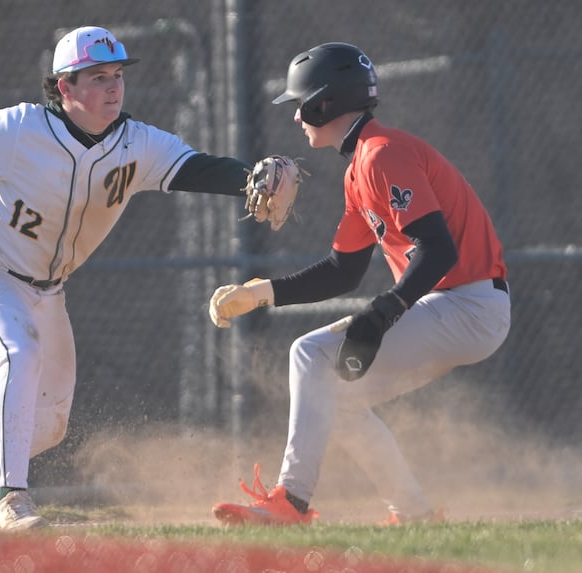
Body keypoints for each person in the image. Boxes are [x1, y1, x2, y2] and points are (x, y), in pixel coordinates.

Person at [0, 25, 257, 531]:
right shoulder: (22, 130)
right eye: (98, 77)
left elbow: (197, 167)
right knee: (19, 352)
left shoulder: (136, 144)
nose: (113, 87)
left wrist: (254, 179)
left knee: (51, 422)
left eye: (118, 75)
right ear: (65, 88)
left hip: (47, 291)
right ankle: (11, 501)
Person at [208, 42, 511, 526]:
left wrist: (382, 312)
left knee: (309, 354)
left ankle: (292, 500)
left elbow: (439, 248)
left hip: (467, 305)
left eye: (300, 105)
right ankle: (414, 513)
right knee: (338, 399)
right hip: (459, 306)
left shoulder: (381, 154)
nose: (296, 118)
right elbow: (342, 270)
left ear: (325, 103)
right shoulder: (362, 168)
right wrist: (263, 292)